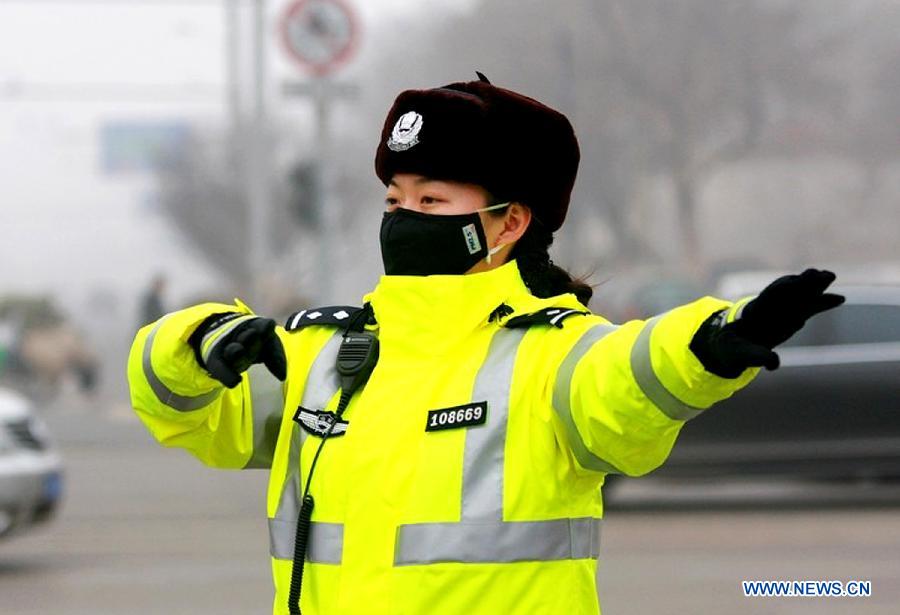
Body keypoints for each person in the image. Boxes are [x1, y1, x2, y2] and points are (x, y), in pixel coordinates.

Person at [127, 74, 844, 615]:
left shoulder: (549, 355)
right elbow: (184, 414)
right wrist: (194, 338)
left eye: (432, 201)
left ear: (508, 224)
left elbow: (626, 377)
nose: (404, 218)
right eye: (394, 199)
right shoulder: (319, 351)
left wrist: (715, 339)